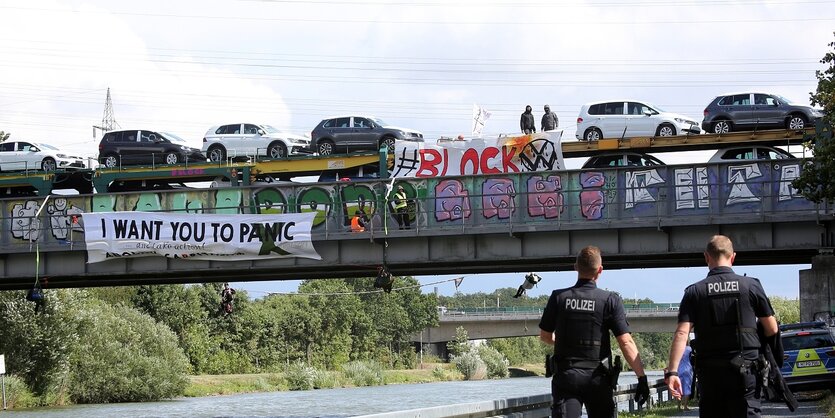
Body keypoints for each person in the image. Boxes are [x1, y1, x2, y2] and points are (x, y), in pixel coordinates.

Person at [665, 235, 779, 418]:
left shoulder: (694, 292)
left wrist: (672, 372)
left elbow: (681, 333)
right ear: (733, 256)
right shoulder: (751, 286)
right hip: (746, 370)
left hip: (710, 373)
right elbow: (772, 328)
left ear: (706, 257)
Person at [539, 246, 649, 418]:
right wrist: (641, 378)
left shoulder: (558, 298)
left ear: (575, 267)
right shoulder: (610, 300)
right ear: (600, 271)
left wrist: (563, 342)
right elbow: (626, 342)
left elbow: (545, 336)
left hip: (567, 378)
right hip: (598, 380)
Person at [677, 343, 693, 411]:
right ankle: (685, 407)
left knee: (678, 388)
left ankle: (678, 407)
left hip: (678, 369)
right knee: (687, 388)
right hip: (687, 369)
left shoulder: (677, 348)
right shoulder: (689, 349)